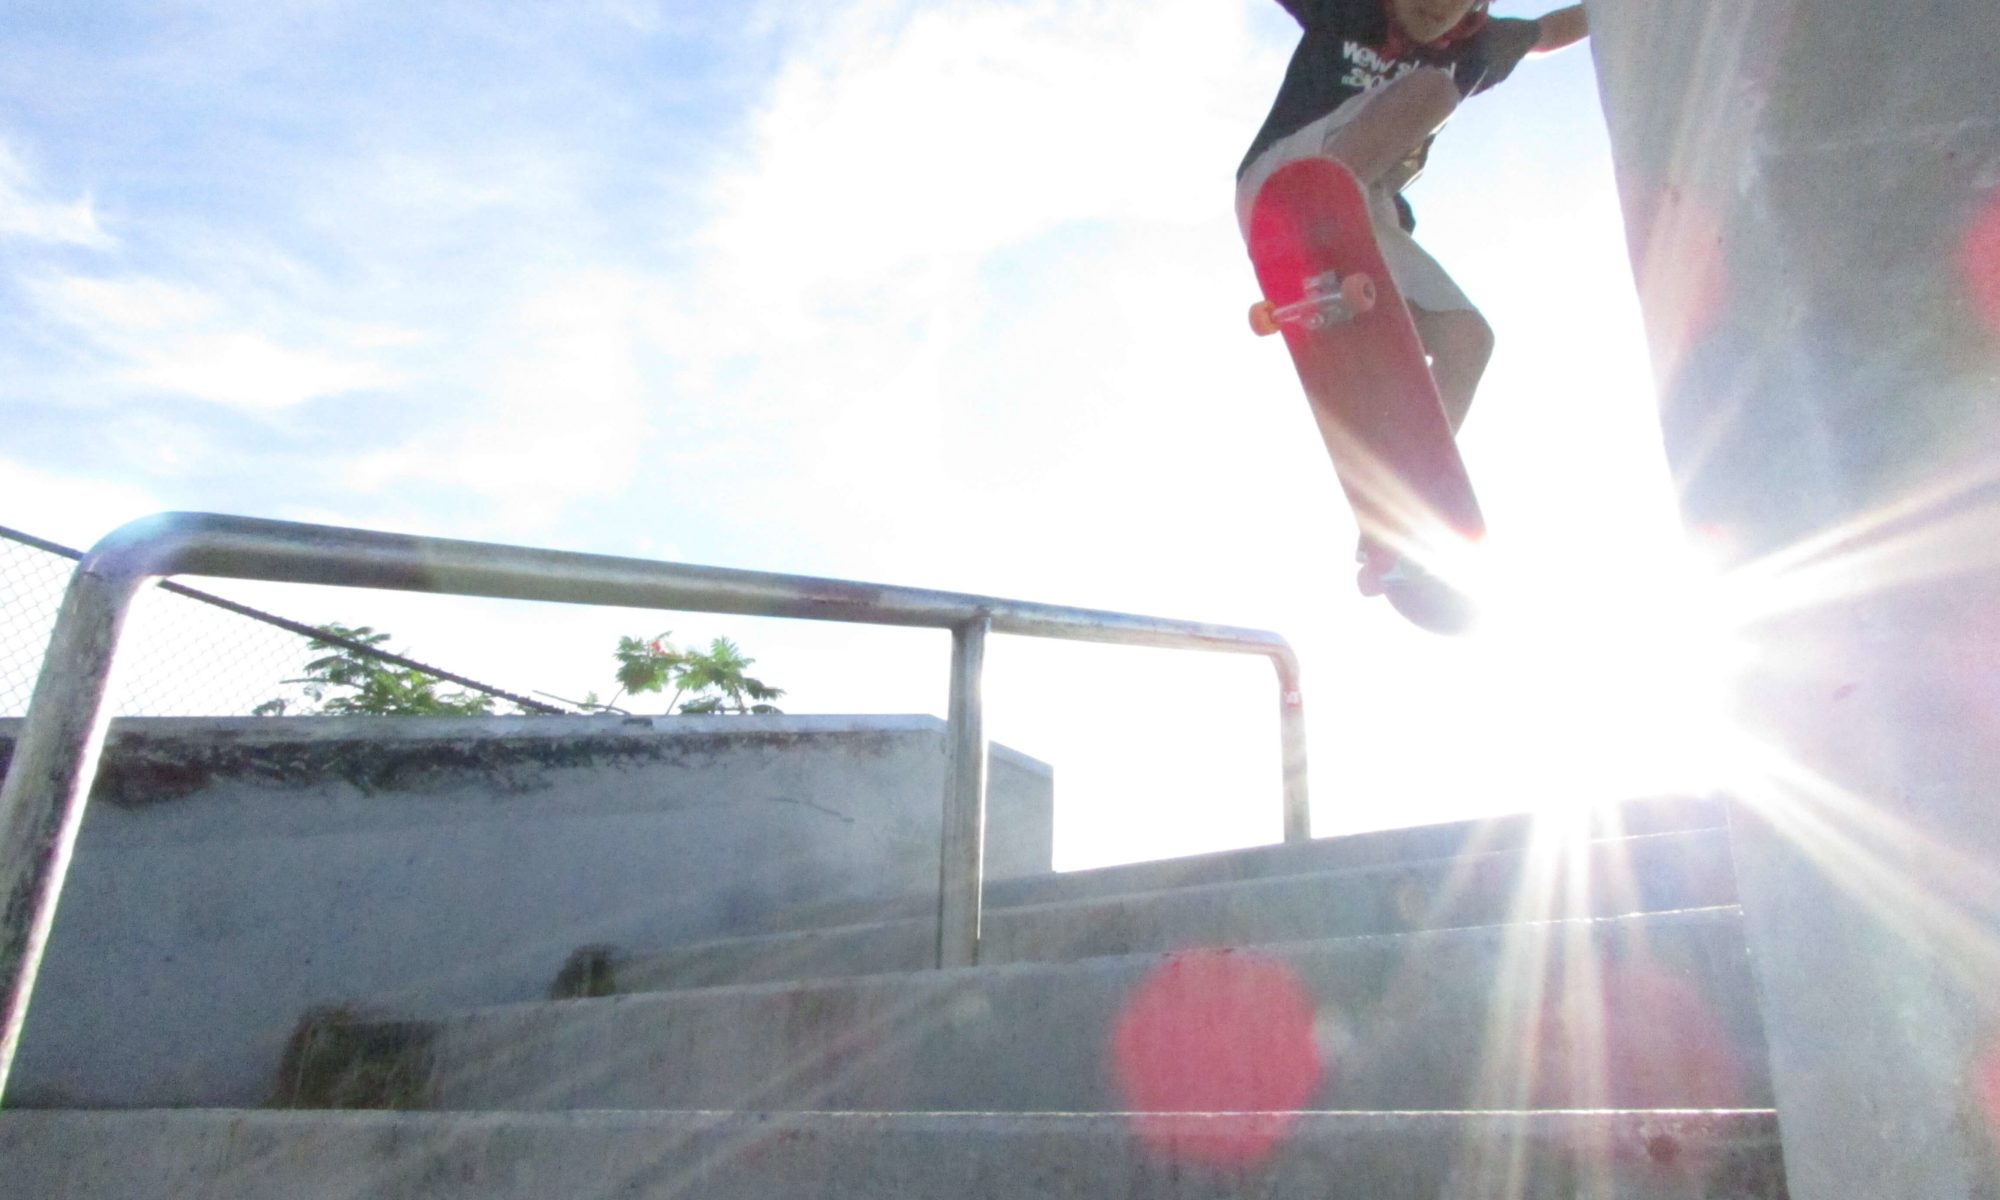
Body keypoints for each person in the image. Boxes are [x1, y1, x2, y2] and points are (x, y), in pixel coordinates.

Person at [1237, 0, 1587, 593]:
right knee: (1432, 92)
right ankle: (1320, 218)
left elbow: (1554, 30)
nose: (1433, 8)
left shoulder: (1480, 50)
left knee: (1468, 340)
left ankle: (1400, 521)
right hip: (1286, 180)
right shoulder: (1347, 11)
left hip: (1361, 223)